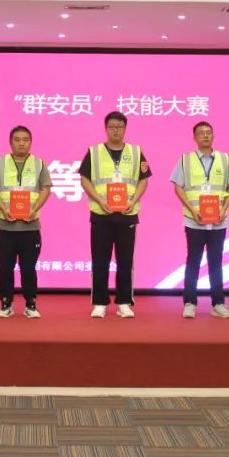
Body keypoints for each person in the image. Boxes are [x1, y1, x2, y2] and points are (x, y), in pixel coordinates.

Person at [79, 111, 151, 318]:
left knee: (125, 261)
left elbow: (143, 180)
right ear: (105, 128)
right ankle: (99, 302)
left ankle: (124, 302)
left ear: (125, 128)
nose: (116, 130)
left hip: (127, 214)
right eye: (112, 127)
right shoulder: (94, 152)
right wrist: (99, 200)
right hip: (101, 214)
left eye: (119, 126)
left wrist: (133, 201)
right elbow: (85, 180)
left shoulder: (136, 152)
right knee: (99, 260)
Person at [171, 120, 229, 319]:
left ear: (213, 136)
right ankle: (190, 302)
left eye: (209, 132)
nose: (206, 135)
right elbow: (178, 187)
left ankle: (218, 304)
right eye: (201, 133)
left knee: (216, 262)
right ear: (194, 138)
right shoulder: (185, 160)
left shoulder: (225, 159)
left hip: (218, 221)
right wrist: (192, 210)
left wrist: (224, 209)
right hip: (194, 220)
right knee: (193, 261)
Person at [0, 126, 52, 319]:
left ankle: (30, 304)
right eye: (17, 139)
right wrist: (4, 209)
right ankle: (6, 304)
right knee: (5, 267)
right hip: (5, 226)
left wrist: (34, 209)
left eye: (25, 139)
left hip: (30, 227)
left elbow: (46, 189)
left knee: (28, 268)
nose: (21, 143)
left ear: (30, 142)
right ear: (10, 142)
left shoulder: (39, 164)